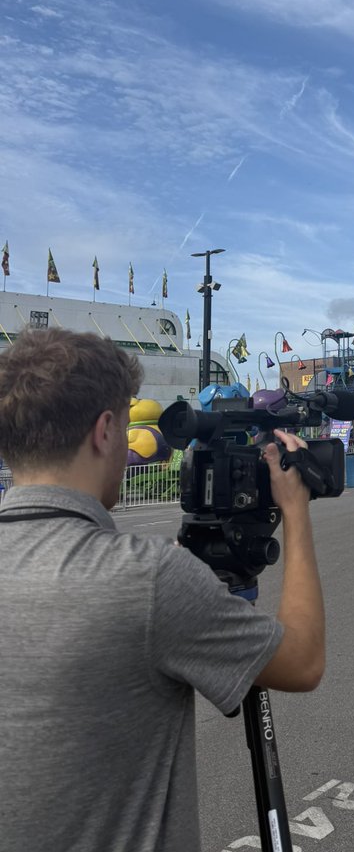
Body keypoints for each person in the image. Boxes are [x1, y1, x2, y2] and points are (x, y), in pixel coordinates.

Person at [0, 329, 325, 852]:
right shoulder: (146, 580)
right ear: (105, 431)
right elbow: (303, 661)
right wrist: (295, 513)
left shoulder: (151, 577)